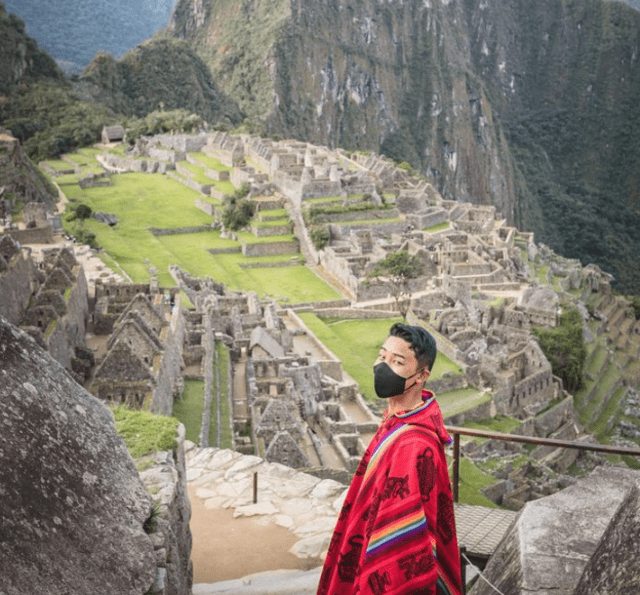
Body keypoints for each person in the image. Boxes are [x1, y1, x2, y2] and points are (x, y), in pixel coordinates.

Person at [317, 323, 462, 595]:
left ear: (421, 376)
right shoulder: (397, 419)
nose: (383, 367)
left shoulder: (415, 444)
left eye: (397, 361)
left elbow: (403, 539)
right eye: (382, 356)